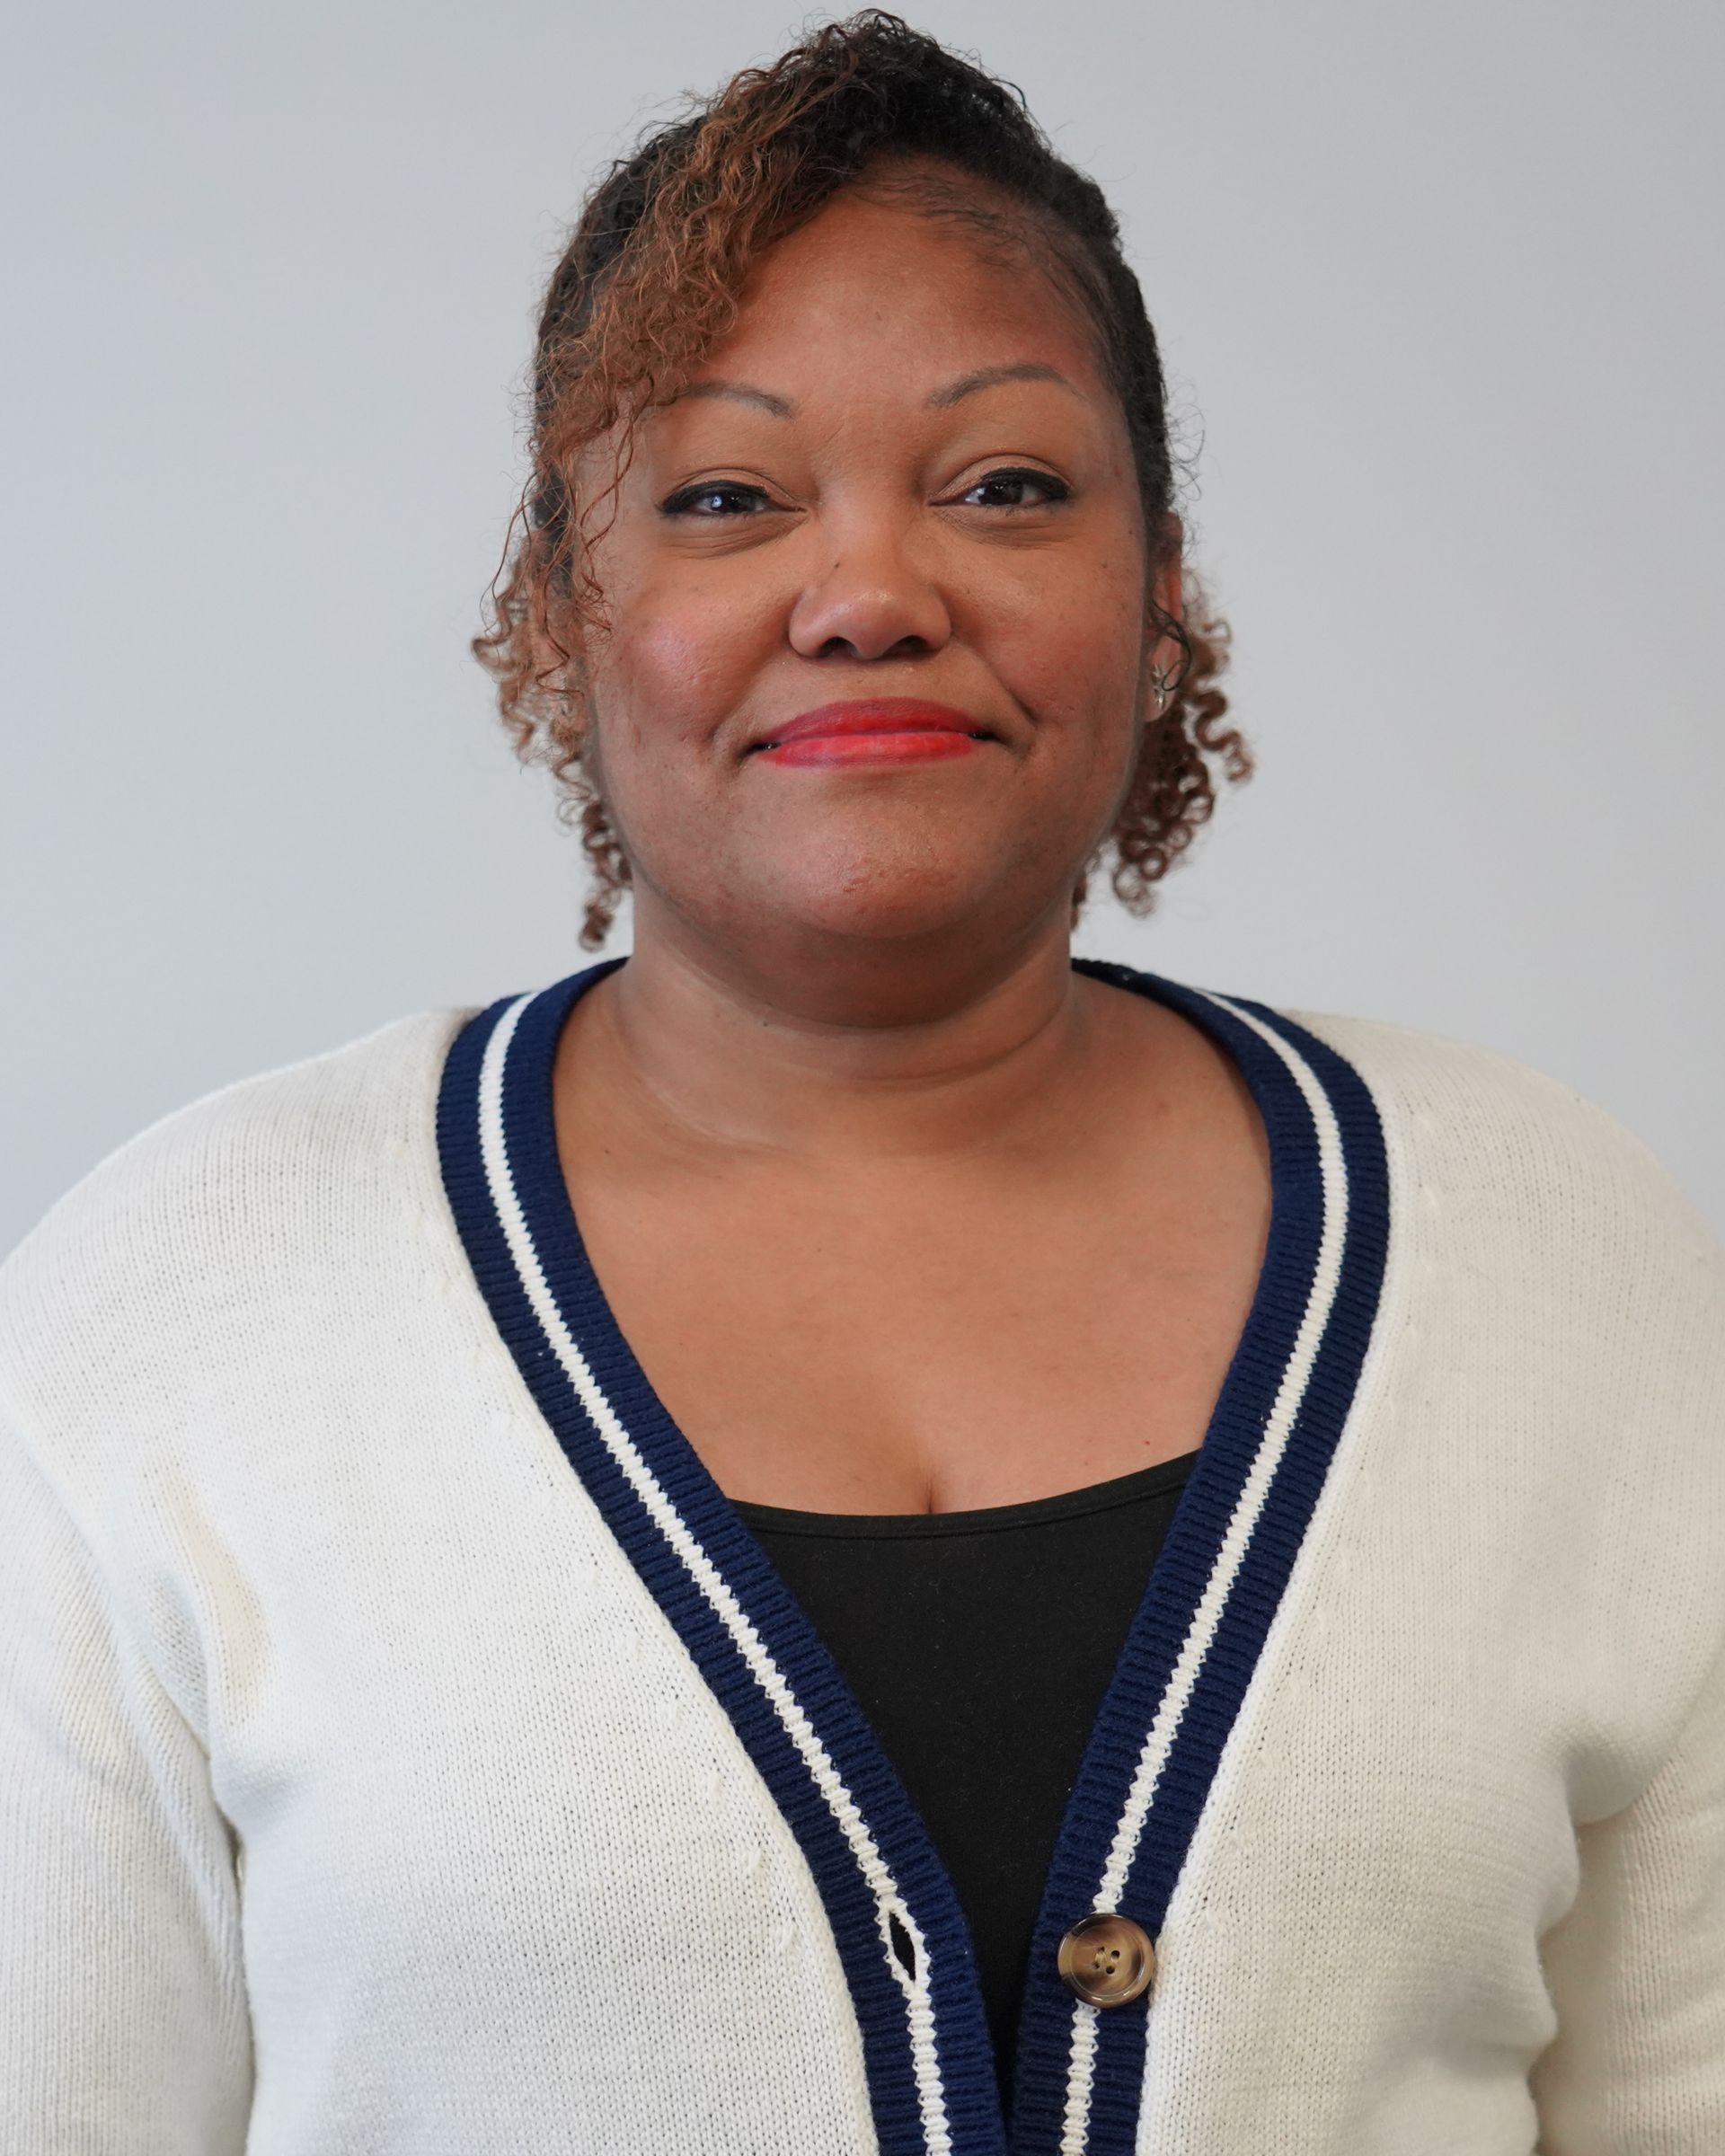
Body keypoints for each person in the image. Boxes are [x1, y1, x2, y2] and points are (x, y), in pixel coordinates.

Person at [3, 13, 1721, 2153]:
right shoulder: (177, 1313)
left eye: (1007, 485)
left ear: (1162, 592)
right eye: (724, 496)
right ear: (557, 609)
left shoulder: (1568, 1263)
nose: (872, 592)